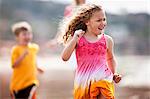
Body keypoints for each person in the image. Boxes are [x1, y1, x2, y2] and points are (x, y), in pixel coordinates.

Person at [61, 4, 121, 99]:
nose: (103, 23)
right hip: (83, 82)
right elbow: (64, 57)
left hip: (104, 79)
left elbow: (110, 58)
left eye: (104, 19)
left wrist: (114, 74)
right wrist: (74, 39)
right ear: (87, 22)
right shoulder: (78, 39)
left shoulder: (107, 40)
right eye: (98, 20)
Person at [10, 21, 44, 99]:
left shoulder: (34, 47)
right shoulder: (16, 49)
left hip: (32, 81)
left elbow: (33, 60)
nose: (27, 36)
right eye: (24, 34)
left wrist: (37, 68)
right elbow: (14, 65)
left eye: (29, 34)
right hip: (18, 85)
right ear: (17, 37)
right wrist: (22, 56)